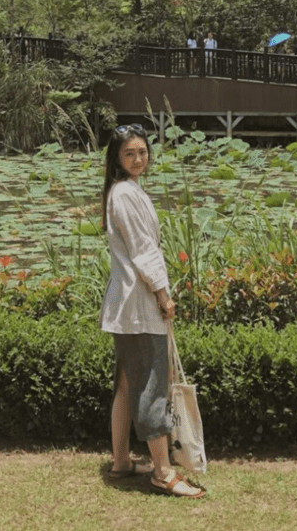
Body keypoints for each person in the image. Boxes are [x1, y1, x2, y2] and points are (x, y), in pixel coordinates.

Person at [99, 124, 205, 498]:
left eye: (142, 152)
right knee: (151, 386)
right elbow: (145, 252)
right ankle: (162, 471)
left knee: (128, 382)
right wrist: (164, 294)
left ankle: (121, 462)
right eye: (130, 153)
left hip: (126, 306)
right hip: (139, 304)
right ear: (116, 158)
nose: (138, 159)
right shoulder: (126, 194)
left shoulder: (123, 191)